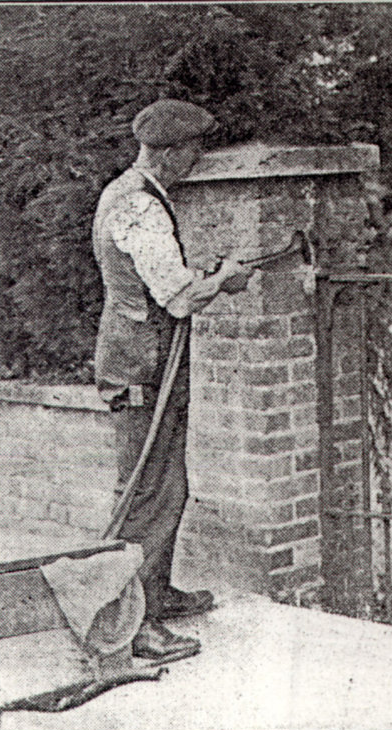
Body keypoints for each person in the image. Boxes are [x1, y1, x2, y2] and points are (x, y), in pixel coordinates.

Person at [93, 99, 254, 660]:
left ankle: (154, 595)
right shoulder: (138, 206)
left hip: (150, 360)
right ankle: (131, 623)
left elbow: (166, 281)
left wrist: (207, 278)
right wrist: (223, 280)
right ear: (167, 152)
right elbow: (179, 296)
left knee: (167, 487)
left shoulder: (135, 196)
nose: (196, 160)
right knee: (146, 495)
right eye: (190, 151)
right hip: (141, 367)